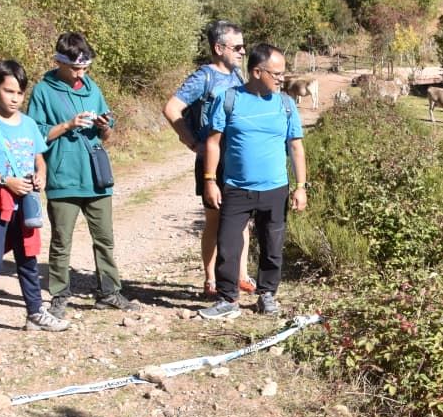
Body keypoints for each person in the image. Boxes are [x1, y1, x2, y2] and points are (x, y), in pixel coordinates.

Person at [25, 32, 139, 319]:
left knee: (105, 238)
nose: (80, 73)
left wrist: (104, 126)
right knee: (61, 241)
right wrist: (67, 125)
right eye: (75, 68)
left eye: (85, 68)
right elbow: (36, 135)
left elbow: (108, 133)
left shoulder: (92, 88)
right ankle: (59, 296)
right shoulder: (43, 91)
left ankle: (109, 292)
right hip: (63, 178)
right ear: (59, 61)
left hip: (95, 178)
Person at [0, 60, 71, 343]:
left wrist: (41, 176)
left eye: (19, 93)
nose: (14, 98)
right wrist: (3, 180)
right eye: (8, 91)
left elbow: (38, 158)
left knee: (28, 259)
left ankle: (35, 312)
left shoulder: (30, 125)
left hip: (25, 202)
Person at [198, 43, 307, 321]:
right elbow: (213, 144)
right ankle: (227, 299)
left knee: (272, 245)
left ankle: (267, 295)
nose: (282, 79)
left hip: (275, 188)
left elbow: (296, 147)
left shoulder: (286, 104)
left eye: (283, 74)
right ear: (257, 72)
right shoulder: (229, 99)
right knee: (228, 244)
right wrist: (210, 180)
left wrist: (301, 186)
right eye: (277, 74)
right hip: (236, 187)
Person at [162, 20, 256, 299]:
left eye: (243, 46)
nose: (242, 51)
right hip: (212, 159)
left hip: (238, 158)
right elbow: (172, 108)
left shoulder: (239, 76)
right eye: (237, 47)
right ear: (219, 48)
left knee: (242, 220)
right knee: (214, 219)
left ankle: (240, 276)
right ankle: (211, 279)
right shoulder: (203, 77)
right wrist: (192, 142)